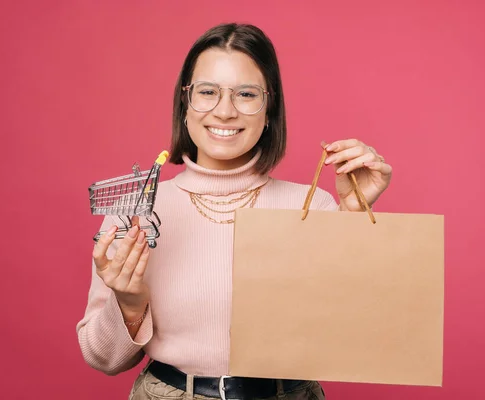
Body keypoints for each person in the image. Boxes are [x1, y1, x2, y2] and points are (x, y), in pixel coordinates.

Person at [76, 23, 392, 400]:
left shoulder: (314, 207)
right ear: (185, 102)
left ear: (269, 106)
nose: (224, 111)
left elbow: (352, 329)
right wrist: (129, 303)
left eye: (245, 94)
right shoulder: (137, 215)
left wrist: (354, 216)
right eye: (207, 92)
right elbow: (104, 359)